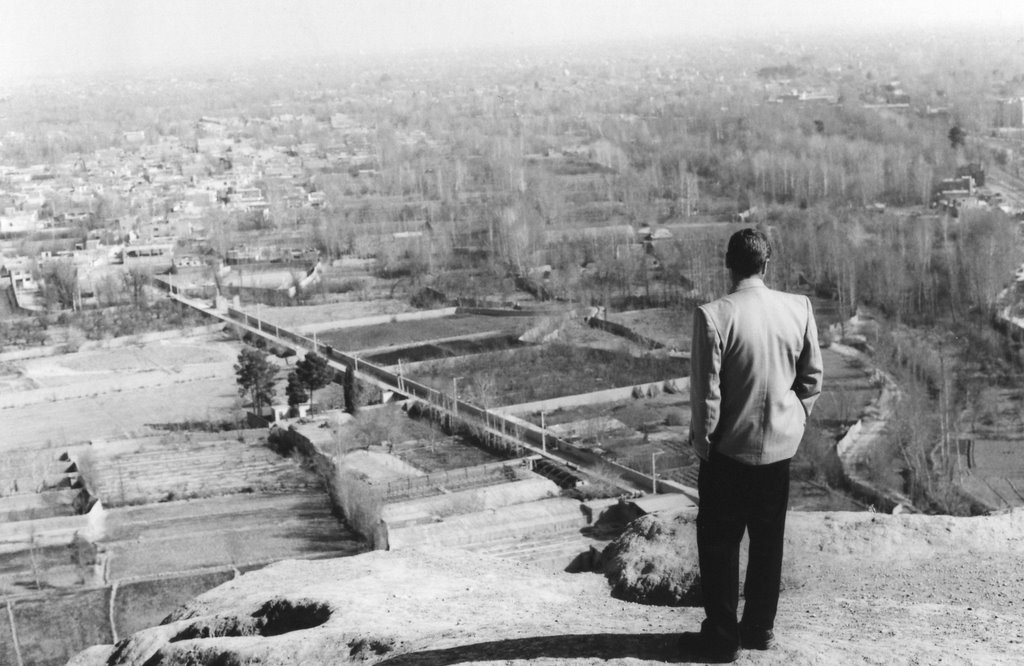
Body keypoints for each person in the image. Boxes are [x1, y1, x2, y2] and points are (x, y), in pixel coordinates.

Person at [684, 227, 823, 662]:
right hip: (778, 452)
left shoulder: (713, 315)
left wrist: (706, 447)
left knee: (719, 544)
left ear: (729, 265)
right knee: (768, 542)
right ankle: (760, 629)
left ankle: (722, 639)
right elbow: (812, 378)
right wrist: (795, 420)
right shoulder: (797, 308)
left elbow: (707, 396)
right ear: (767, 264)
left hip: (727, 453)